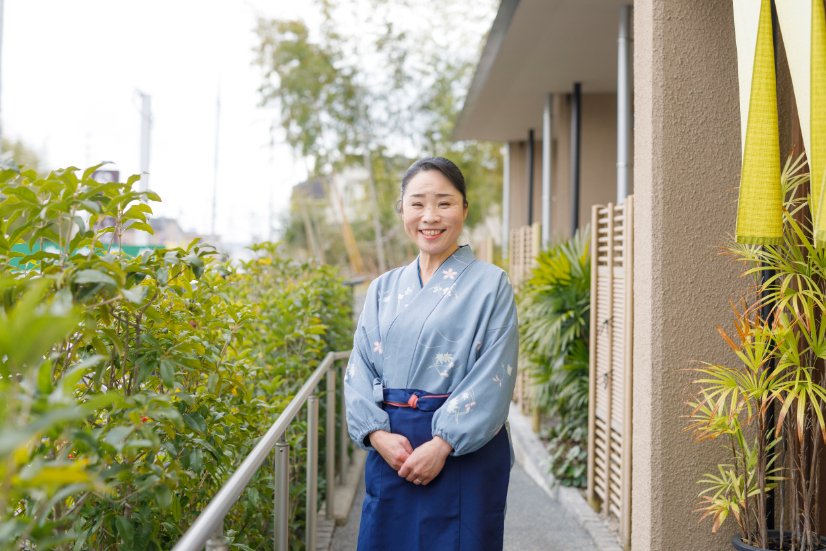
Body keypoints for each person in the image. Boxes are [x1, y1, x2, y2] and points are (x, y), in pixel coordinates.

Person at [344, 156, 519, 551]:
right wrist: (376, 434)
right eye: (418, 203)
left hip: (463, 450)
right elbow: (359, 370)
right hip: (393, 448)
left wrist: (443, 444)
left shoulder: (492, 284)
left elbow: (495, 374)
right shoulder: (382, 288)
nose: (430, 216)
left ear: (464, 208)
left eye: (444, 202)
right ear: (402, 209)